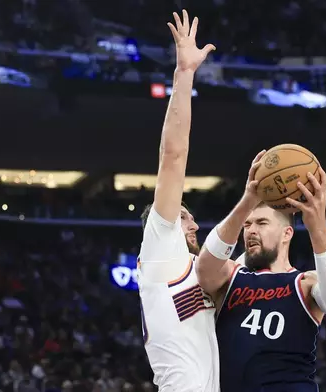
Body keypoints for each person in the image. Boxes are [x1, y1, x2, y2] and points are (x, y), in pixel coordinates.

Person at [196, 164, 326, 392]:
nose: (251, 230)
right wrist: (247, 201)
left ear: (287, 234)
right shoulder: (231, 276)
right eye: (247, 224)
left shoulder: (305, 283)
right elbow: (205, 268)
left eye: (262, 223)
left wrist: (317, 224)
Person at [136, 9, 217, 392]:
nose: (194, 224)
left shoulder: (196, 270)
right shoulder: (160, 242)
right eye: (185, 217)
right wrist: (184, 75)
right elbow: (173, 156)